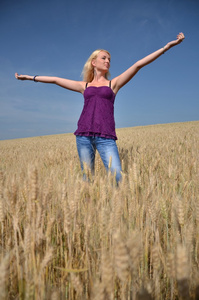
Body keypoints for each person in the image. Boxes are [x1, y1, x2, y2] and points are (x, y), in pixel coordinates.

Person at [15, 32, 185, 184]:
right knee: (87, 179)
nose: (108, 61)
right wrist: (30, 78)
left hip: (106, 136)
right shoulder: (85, 86)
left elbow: (138, 65)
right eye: (104, 58)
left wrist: (167, 46)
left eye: (109, 59)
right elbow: (55, 79)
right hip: (83, 135)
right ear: (93, 62)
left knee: (117, 177)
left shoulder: (114, 84)